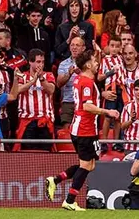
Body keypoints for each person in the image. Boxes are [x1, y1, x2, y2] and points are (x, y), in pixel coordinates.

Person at [45, 50, 120, 211]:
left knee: (89, 165)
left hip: (84, 128)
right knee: (86, 165)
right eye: (94, 61)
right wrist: (108, 112)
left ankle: (56, 180)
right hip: (84, 129)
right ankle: (70, 200)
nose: (97, 63)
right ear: (87, 65)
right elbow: (87, 106)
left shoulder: (83, 79)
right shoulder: (86, 82)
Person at [14, 49, 55, 151]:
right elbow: (17, 90)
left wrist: (41, 78)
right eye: (38, 62)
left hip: (44, 120)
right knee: (27, 153)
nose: (40, 65)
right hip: (27, 120)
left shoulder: (48, 75)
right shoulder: (22, 76)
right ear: (30, 62)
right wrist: (32, 81)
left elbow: (51, 90)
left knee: (46, 152)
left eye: (42, 62)